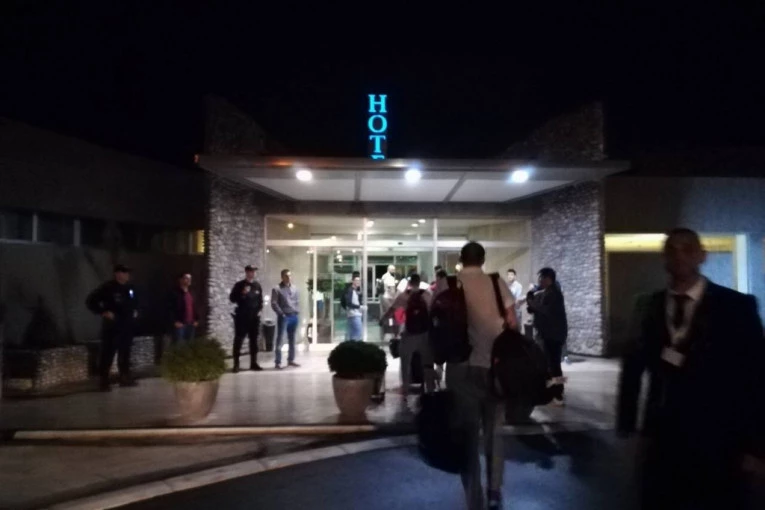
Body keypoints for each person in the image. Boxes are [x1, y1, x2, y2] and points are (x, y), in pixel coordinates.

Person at [617, 228, 764, 510]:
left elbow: (756, 377)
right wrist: (627, 426)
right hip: (661, 437)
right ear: (663, 258)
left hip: (719, 437)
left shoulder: (736, 307)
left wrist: (756, 446)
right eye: (671, 250)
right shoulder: (647, 305)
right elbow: (632, 367)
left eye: (687, 249)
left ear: (702, 256)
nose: (679, 255)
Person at [449, 241, 516, 510]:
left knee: (467, 434)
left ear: (461, 259)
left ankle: (473, 497)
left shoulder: (449, 285)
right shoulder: (496, 283)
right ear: (483, 259)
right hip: (494, 367)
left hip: (461, 369)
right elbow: (512, 322)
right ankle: (494, 491)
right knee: (494, 431)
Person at [86, 264, 139, 391]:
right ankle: (104, 381)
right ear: (117, 274)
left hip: (127, 326)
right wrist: (103, 312)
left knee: (125, 352)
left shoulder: (129, 288)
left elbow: (133, 301)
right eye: (124, 273)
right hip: (113, 327)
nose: (127, 275)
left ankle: (124, 377)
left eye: (128, 273)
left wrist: (135, 311)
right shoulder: (108, 288)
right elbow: (91, 301)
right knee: (108, 353)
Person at [382, 273, 435, 396]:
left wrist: (382, 320)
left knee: (405, 362)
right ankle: (430, 388)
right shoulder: (427, 294)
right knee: (427, 363)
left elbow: (392, 310)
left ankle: (405, 387)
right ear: (419, 282)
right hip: (424, 334)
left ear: (410, 283)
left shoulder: (404, 295)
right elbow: (433, 311)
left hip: (409, 334)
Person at [527, 267, 568, 405]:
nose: (539, 281)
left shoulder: (555, 293)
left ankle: (558, 393)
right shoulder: (546, 292)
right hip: (548, 334)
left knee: (555, 365)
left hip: (554, 335)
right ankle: (554, 391)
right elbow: (536, 308)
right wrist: (531, 303)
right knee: (551, 364)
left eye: (541, 278)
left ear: (548, 279)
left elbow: (545, 310)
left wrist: (531, 302)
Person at [229, 265, 264, 372]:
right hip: (242, 317)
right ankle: (236, 364)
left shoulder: (257, 285)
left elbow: (260, 301)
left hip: (254, 318)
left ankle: (253, 363)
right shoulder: (239, 285)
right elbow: (232, 298)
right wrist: (241, 293)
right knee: (239, 340)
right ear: (246, 272)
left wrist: (260, 311)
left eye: (253, 271)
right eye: (250, 271)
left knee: (253, 341)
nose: (252, 273)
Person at [271, 268, 301, 369]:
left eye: (290, 275)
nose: (288, 278)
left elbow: (296, 301)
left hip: (293, 316)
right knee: (280, 339)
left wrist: (297, 311)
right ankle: (278, 362)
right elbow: (274, 303)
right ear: (282, 277)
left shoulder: (295, 288)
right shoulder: (277, 289)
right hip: (284, 317)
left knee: (292, 339)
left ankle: (291, 360)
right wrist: (281, 314)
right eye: (286, 276)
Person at [168, 272, 199, 344]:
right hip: (180, 324)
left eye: (190, 278)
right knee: (179, 345)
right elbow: (169, 308)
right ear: (180, 280)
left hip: (191, 324)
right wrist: (174, 322)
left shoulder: (191, 293)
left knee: (189, 345)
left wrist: (196, 320)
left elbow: (193, 307)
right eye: (186, 278)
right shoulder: (175, 293)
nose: (189, 280)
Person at [344, 274, 365, 341]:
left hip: (355, 315)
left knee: (353, 334)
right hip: (354, 315)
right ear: (352, 281)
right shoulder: (350, 290)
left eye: (359, 280)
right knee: (357, 334)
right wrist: (359, 307)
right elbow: (349, 303)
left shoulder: (355, 291)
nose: (358, 282)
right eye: (356, 280)